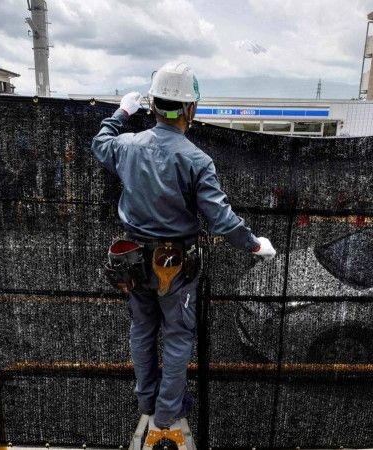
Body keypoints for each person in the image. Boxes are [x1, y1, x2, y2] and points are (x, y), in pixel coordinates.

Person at [91, 61, 276, 439]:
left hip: (132, 260)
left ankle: (147, 400)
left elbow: (100, 144)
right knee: (176, 336)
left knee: (142, 328)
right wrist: (254, 244)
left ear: (153, 106)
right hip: (174, 264)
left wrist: (121, 113)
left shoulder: (127, 146)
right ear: (190, 109)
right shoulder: (196, 160)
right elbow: (221, 219)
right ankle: (166, 413)